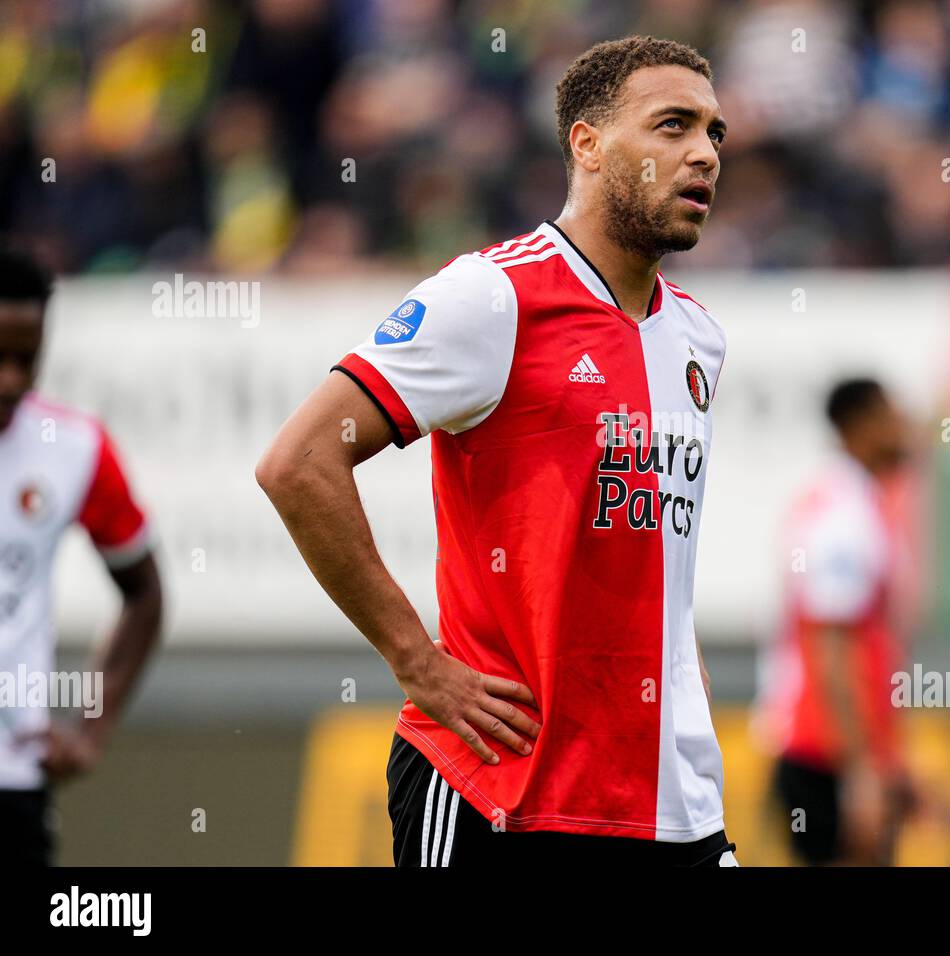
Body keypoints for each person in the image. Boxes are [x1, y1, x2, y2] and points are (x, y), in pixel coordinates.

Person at [257, 36, 737, 866]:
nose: (703, 153)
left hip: (668, 800)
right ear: (587, 145)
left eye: (714, 134)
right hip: (501, 789)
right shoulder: (492, 297)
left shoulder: (699, 336)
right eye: (672, 126)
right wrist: (417, 662)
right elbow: (298, 463)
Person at [0, 247, 163, 865]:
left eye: (26, 359)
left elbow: (144, 593)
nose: (10, 379)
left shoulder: (73, 448)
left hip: (12, 781)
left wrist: (92, 728)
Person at [758, 378, 918, 865]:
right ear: (861, 424)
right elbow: (832, 652)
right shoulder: (844, 516)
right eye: (893, 415)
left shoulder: (849, 501)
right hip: (823, 756)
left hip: (834, 754)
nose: (904, 428)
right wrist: (859, 774)